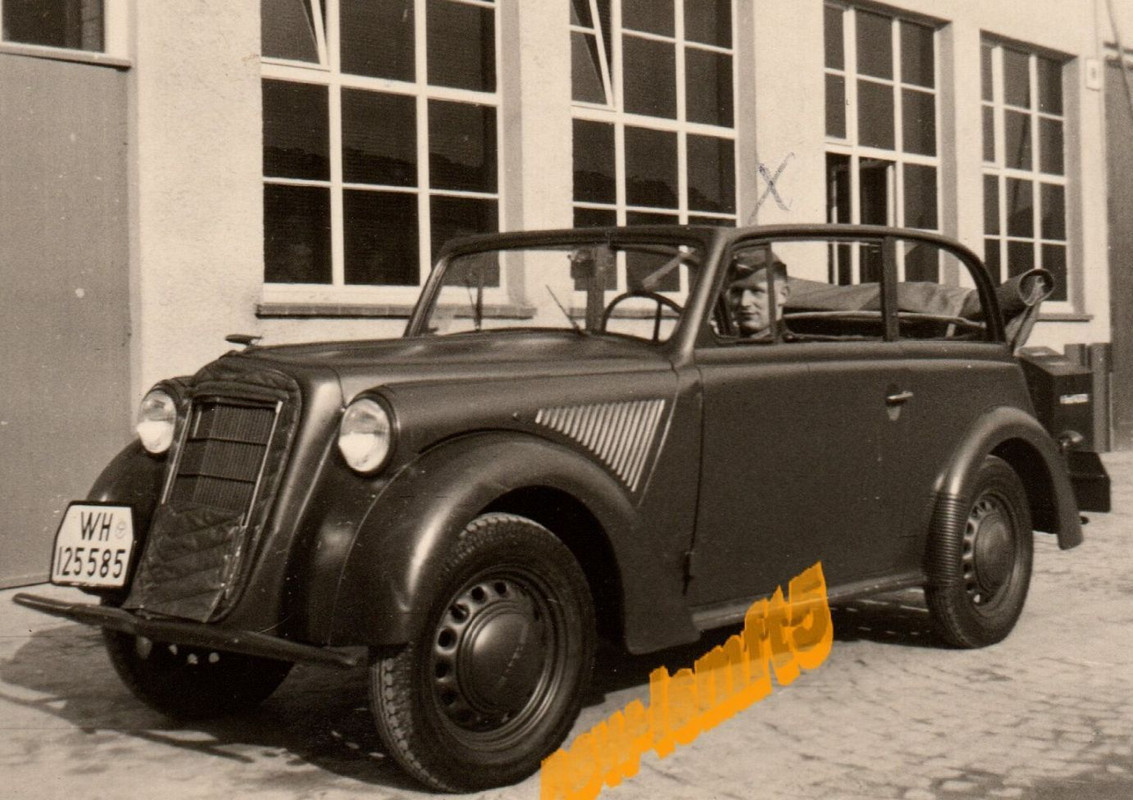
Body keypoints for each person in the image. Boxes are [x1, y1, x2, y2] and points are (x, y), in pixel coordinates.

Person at [725, 248, 790, 339]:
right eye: (737, 291)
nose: (744, 302)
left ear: (783, 295)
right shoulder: (721, 346)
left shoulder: (797, 351)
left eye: (756, 291)